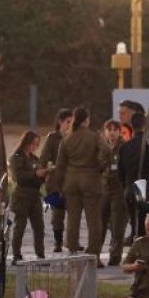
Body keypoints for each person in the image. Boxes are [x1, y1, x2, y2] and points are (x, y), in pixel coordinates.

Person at [52, 107, 109, 261]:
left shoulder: (67, 138)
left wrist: (59, 186)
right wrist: (100, 166)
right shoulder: (94, 136)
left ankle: (72, 252)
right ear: (87, 120)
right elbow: (106, 151)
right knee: (94, 221)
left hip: (71, 181)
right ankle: (94, 255)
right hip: (90, 179)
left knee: (73, 220)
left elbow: (60, 165)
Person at [8, 130, 46, 262]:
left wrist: (43, 175)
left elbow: (39, 179)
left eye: (37, 144)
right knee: (20, 226)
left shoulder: (35, 159)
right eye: (33, 144)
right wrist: (35, 174)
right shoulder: (16, 158)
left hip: (34, 196)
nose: (34, 147)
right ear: (26, 142)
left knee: (39, 226)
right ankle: (16, 254)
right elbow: (19, 177)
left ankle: (40, 254)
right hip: (22, 195)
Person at [39, 108, 74, 253]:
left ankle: (72, 241)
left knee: (74, 213)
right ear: (60, 122)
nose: (70, 125)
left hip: (72, 180)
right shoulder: (53, 139)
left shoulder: (74, 137)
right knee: (57, 215)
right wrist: (50, 168)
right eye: (68, 122)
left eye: (72, 122)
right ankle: (58, 241)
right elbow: (44, 158)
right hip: (55, 182)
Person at [118, 111, 149, 239]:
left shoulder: (125, 147)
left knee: (133, 216)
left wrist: (125, 185)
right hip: (146, 188)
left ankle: (134, 235)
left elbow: (121, 171)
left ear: (132, 126)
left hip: (130, 188)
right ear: (145, 124)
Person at [100, 119, 127, 266]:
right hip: (104, 189)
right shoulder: (102, 147)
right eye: (109, 130)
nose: (112, 133)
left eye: (115, 130)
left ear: (119, 131)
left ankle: (115, 256)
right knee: (100, 223)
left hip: (118, 190)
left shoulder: (124, 147)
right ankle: (96, 254)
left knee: (117, 225)